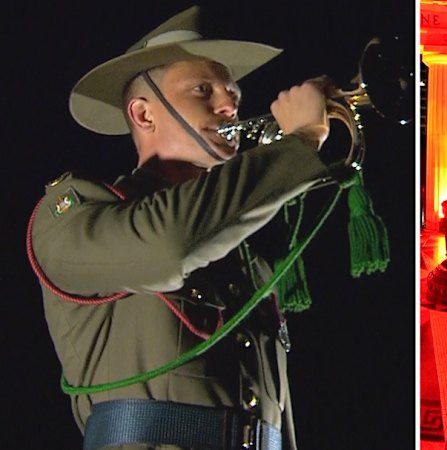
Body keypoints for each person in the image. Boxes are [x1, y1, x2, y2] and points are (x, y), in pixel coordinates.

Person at [27, 6, 348, 449]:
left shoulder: (244, 260)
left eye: (232, 91)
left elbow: (276, 414)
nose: (229, 103)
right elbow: (169, 245)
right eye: (203, 90)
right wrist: (299, 145)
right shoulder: (72, 214)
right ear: (143, 115)